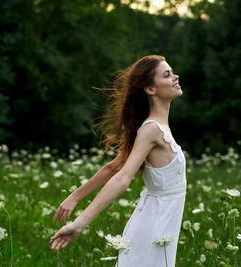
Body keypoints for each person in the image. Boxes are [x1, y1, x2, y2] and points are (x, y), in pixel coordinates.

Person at [49, 55, 187, 267]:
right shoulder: (152, 130)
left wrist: (75, 197)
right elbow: (123, 177)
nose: (175, 77)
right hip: (155, 224)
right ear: (150, 89)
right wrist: (79, 223)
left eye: (172, 72)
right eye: (167, 75)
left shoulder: (157, 127)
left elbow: (115, 166)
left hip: (163, 221)